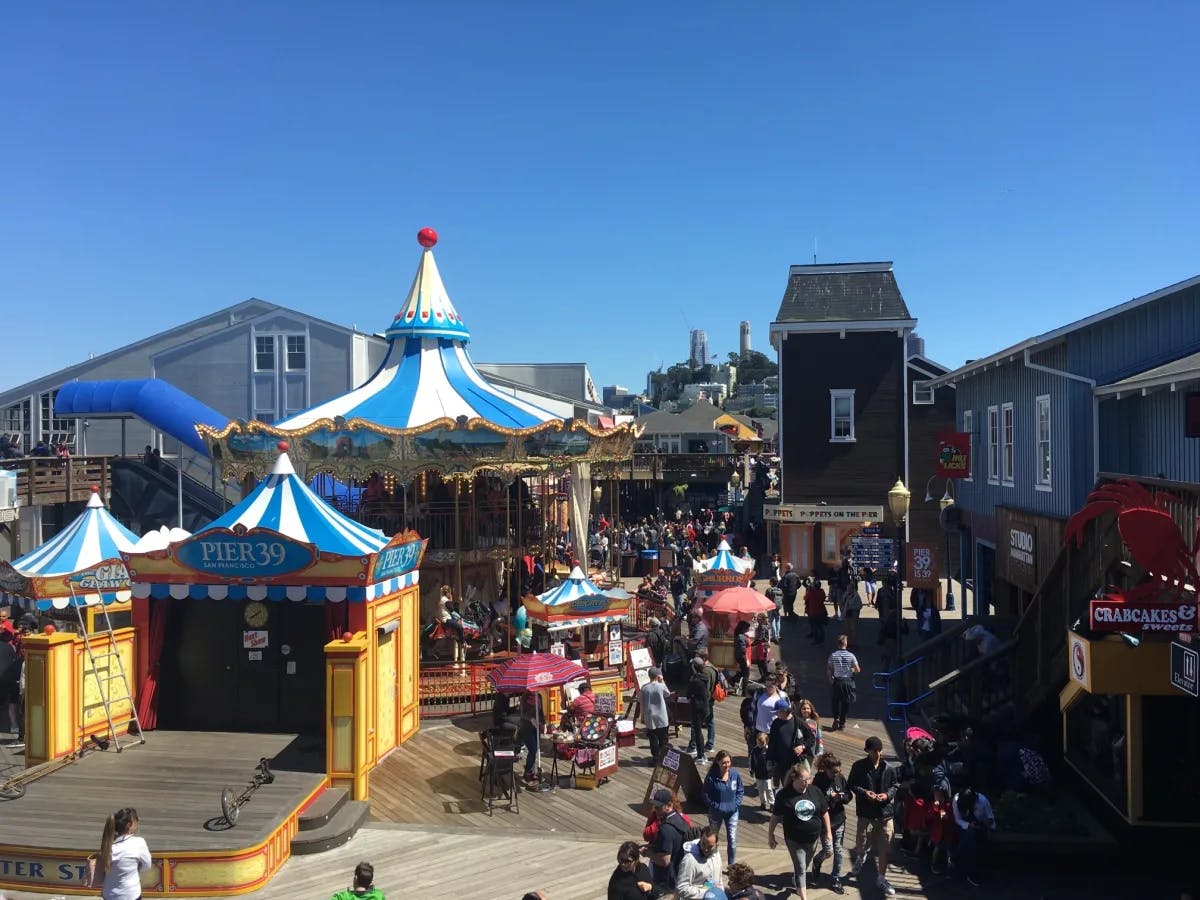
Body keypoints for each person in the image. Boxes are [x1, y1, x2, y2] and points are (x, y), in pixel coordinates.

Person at [768, 762, 831, 900]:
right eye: (804, 780)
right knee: (801, 867)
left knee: (804, 866)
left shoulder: (815, 791)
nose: (807, 783)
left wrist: (828, 832)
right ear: (794, 779)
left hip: (813, 838)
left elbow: (824, 812)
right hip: (794, 839)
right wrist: (771, 834)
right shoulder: (784, 795)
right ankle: (804, 897)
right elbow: (776, 816)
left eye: (808, 779)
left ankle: (797, 880)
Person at [848, 736, 900, 897]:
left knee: (885, 849)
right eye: (871, 751)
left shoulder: (889, 768)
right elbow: (851, 784)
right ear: (868, 751)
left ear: (880, 751)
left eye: (876, 751)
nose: (874, 754)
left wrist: (887, 795)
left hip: (885, 814)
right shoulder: (858, 766)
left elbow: (895, 785)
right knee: (861, 843)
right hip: (866, 813)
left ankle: (881, 878)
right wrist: (865, 793)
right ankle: (860, 857)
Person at [812, 752, 850, 894]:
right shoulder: (819, 780)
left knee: (839, 851)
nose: (836, 774)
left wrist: (841, 797)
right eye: (834, 772)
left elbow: (848, 795)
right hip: (824, 821)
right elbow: (815, 799)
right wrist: (829, 797)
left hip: (839, 818)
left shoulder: (840, 778)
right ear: (826, 769)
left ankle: (836, 879)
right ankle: (817, 861)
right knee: (828, 851)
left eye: (838, 771)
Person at [94, 807, 150, 900]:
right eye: (136, 820)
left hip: (109, 894)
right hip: (130, 895)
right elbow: (147, 866)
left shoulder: (108, 844)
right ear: (129, 824)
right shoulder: (139, 843)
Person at [702, 750, 744, 865]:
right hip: (715, 814)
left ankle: (731, 866)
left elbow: (740, 791)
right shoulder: (711, 777)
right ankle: (713, 862)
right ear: (717, 762)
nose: (726, 765)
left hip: (733, 812)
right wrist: (715, 806)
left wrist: (735, 804)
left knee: (732, 839)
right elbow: (705, 794)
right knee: (712, 839)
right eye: (724, 763)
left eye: (728, 762)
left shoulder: (735, 775)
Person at [644, 788, 691, 888]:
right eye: (654, 806)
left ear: (669, 805)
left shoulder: (666, 828)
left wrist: (647, 853)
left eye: (658, 807)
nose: (655, 809)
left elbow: (665, 861)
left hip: (667, 881)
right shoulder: (680, 819)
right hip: (680, 874)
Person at [952, 786, 995, 887]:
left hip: (981, 827)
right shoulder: (956, 800)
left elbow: (990, 818)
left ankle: (957, 858)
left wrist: (985, 825)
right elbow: (957, 819)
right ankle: (971, 872)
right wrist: (968, 825)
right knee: (969, 838)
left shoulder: (983, 801)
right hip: (964, 826)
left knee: (973, 839)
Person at [674, 826, 723, 899]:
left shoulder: (716, 854)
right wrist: (707, 893)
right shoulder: (690, 859)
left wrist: (721, 893)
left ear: (716, 844)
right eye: (703, 844)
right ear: (700, 839)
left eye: (710, 846)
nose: (706, 849)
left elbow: (719, 879)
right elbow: (681, 888)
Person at [826, 635, 860, 732]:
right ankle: (842, 723)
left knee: (835, 701)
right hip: (848, 681)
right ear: (845, 643)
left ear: (838, 644)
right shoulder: (851, 655)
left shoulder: (833, 655)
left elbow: (829, 668)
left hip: (837, 681)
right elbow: (857, 670)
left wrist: (830, 678)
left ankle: (836, 718)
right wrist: (850, 669)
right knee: (846, 703)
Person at [639, 667, 671, 761]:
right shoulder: (661, 686)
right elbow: (668, 694)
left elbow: (641, 703)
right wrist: (662, 681)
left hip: (650, 716)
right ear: (658, 676)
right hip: (662, 716)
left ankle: (655, 758)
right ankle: (664, 757)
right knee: (663, 738)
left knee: (653, 738)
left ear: (649, 676)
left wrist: (642, 716)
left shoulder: (644, 688)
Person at [685, 659, 713, 761]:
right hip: (705, 707)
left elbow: (688, 693)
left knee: (697, 732)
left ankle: (700, 755)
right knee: (699, 731)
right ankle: (701, 753)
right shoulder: (704, 677)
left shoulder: (695, 680)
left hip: (697, 708)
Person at [748, 731, 773, 810]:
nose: (760, 744)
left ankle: (772, 803)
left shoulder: (769, 750)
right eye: (759, 742)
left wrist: (772, 770)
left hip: (767, 774)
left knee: (768, 789)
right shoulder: (754, 751)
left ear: (766, 741)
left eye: (762, 743)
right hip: (758, 774)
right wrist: (751, 770)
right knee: (760, 790)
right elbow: (751, 761)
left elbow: (772, 762)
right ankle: (763, 803)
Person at [804, 578, 828, 645]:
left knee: (814, 626)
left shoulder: (811, 592)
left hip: (813, 611)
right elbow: (823, 598)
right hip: (821, 611)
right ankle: (822, 639)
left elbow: (805, 598)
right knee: (820, 626)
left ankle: (816, 640)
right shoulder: (822, 591)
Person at [731, 621, 752, 696]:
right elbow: (742, 649)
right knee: (746, 674)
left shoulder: (739, 635)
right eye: (747, 628)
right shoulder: (741, 637)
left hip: (740, 657)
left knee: (742, 672)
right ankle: (744, 692)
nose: (748, 629)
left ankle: (732, 680)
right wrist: (745, 659)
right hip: (743, 657)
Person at [764, 577, 783, 641]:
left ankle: (774, 636)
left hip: (770, 607)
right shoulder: (780, 590)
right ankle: (778, 635)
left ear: (772, 582)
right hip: (777, 607)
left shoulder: (769, 590)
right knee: (777, 620)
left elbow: (766, 599)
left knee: (772, 621)